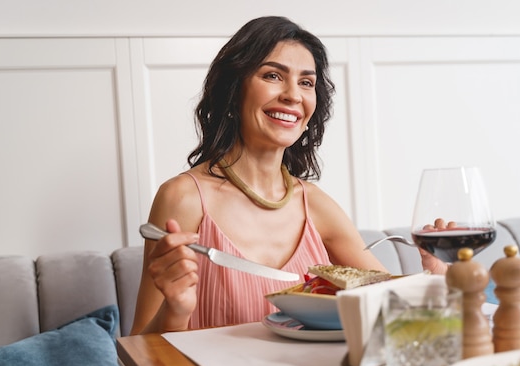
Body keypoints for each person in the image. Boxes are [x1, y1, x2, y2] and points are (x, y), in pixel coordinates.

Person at [130, 16, 447, 336]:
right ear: (233, 90)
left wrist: (435, 277)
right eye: (273, 75)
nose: (293, 95)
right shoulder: (184, 199)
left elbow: (391, 308)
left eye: (306, 82)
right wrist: (175, 310)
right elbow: (137, 359)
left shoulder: (316, 204)